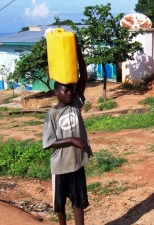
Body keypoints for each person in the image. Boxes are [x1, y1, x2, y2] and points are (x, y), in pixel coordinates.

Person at [43, 37, 93, 225]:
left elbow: (84, 77)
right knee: (60, 205)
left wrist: (78, 51)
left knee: (79, 202)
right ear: (55, 93)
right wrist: (72, 140)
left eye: (71, 89)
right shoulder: (52, 114)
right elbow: (48, 142)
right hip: (60, 167)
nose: (70, 92)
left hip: (77, 164)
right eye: (66, 90)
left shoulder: (75, 105)